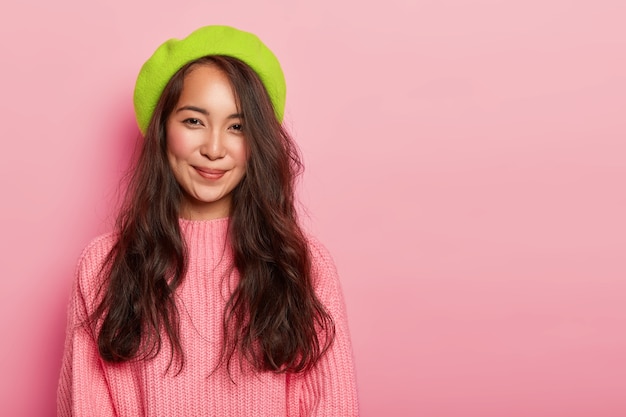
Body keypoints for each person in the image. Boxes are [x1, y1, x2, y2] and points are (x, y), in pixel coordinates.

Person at [57, 25, 358, 416]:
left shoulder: (305, 267)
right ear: (162, 130)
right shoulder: (102, 267)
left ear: (258, 143)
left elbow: (332, 406)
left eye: (237, 127)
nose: (214, 148)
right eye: (194, 121)